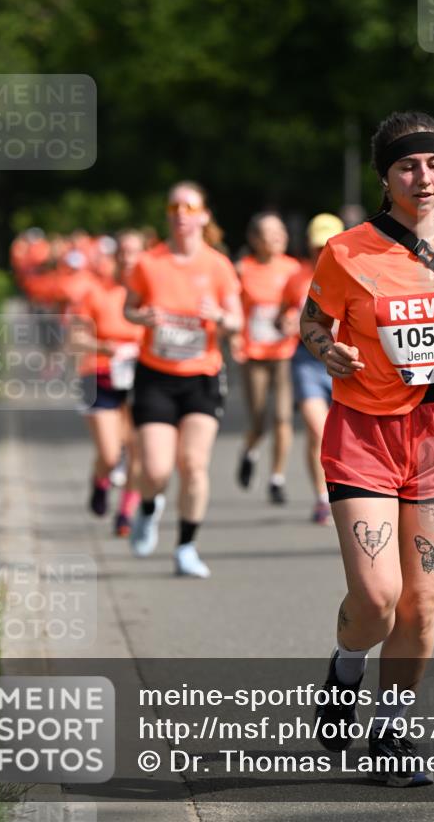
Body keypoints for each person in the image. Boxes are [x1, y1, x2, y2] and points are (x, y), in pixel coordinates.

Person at [300, 111, 434, 786]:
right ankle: (344, 664)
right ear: (386, 177)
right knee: (378, 598)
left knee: (419, 606)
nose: (422, 177)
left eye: (432, 164)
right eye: (406, 166)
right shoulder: (347, 252)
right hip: (362, 432)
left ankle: (390, 734)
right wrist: (325, 348)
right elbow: (311, 320)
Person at [124, 182, 242, 577]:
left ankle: (186, 547)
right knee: (156, 470)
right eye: (173, 205)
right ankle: (147, 506)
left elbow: (237, 320)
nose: (180, 213)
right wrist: (143, 317)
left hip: (201, 377)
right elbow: (129, 308)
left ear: (203, 216)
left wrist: (219, 317)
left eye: (189, 206)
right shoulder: (148, 263)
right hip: (155, 375)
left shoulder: (218, 266)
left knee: (193, 464)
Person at [73, 231, 146, 535]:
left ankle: (126, 513)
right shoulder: (95, 292)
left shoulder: (152, 292)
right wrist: (106, 348)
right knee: (110, 452)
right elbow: (76, 336)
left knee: (138, 448)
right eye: (123, 252)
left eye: (134, 252)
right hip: (99, 373)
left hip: (142, 375)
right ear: (115, 257)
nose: (128, 259)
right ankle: (100, 480)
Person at [278, 214, 345, 525]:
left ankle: (346, 491)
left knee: (343, 434)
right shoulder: (297, 277)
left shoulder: (354, 272)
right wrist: (287, 323)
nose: (323, 252)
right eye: (318, 245)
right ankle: (321, 498)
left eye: (328, 244)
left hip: (345, 361)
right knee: (318, 430)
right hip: (307, 360)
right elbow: (281, 316)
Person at [233, 213, 301, 504]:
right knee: (259, 421)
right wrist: (234, 336)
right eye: (268, 233)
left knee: (283, 417)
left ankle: (277, 478)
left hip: (284, 354)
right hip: (254, 355)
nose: (276, 237)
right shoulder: (242, 269)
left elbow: (302, 304)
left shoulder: (293, 268)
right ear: (254, 240)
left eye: (280, 231)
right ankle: (249, 450)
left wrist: (292, 319)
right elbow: (233, 307)